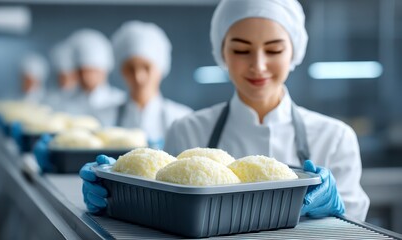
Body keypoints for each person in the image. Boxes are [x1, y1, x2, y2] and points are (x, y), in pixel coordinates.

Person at [79, 0, 369, 221]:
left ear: (294, 51)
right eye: (241, 50)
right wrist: (116, 198)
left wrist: (338, 209)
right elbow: (160, 218)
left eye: (274, 50)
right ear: (222, 53)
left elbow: (356, 231)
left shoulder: (335, 137)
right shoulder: (188, 130)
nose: (258, 65)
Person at [110, 21, 192, 149]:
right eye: (130, 68)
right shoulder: (104, 116)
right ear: (121, 71)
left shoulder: (183, 118)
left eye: (146, 67)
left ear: (161, 68)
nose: (138, 77)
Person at [67, 28, 126, 124]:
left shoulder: (119, 102)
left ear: (103, 71)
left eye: (91, 71)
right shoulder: (66, 103)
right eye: (81, 72)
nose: (85, 77)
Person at [46, 40, 79, 112]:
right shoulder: (51, 98)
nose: (64, 81)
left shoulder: (84, 98)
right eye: (61, 77)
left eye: (69, 76)